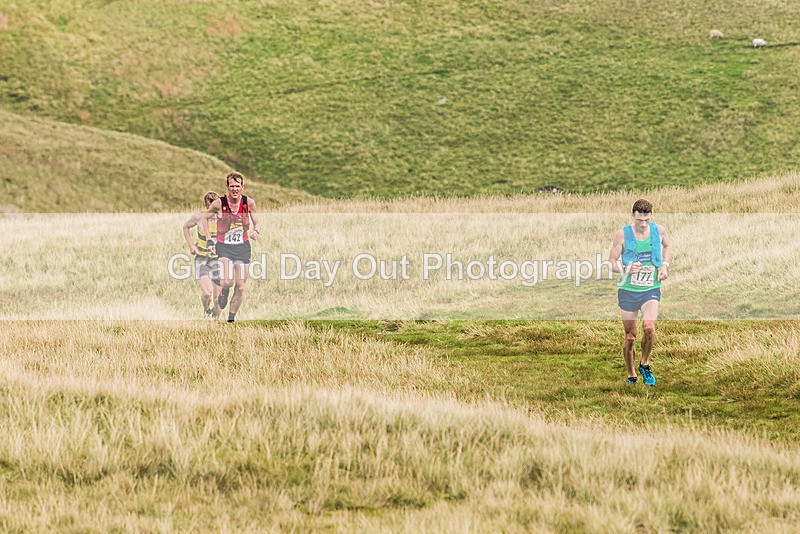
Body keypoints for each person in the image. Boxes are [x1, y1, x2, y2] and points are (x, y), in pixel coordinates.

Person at [608, 199, 671, 386]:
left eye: (647, 220)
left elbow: (667, 246)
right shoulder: (622, 235)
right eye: (639, 221)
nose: (643, 224)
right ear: (632, 216)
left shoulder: (659, 231)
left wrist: (665, 265)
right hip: (628, 291)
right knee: (630, 337)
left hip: (650, 289)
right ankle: (631, 374)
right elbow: (611, 262)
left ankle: (645, 363)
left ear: (651, 217)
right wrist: (625, 269)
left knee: (649, 328)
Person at [202, 171, 261, 323]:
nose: (235, 189)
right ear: (227, 187)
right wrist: (209, 240)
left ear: (242, 187)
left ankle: (231, 320)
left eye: (238, 186)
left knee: (240, 287)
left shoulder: (249, 202)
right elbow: (204, 218)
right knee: (227, 281)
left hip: (243, 247)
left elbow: (257, 221)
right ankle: (225, 291)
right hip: (224, 247)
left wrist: (256, 231)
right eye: (232, 186)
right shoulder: (218, 203)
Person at [182, 191, 222, 319]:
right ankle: (206, 310)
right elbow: (185, 227)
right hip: (203, 259)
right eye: (211, 206)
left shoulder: (225, 218)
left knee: (218, 300)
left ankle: (215, 323)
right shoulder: (199, 217)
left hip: (219, 261)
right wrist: (191, 246)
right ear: (206, 205)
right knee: (207, 293)